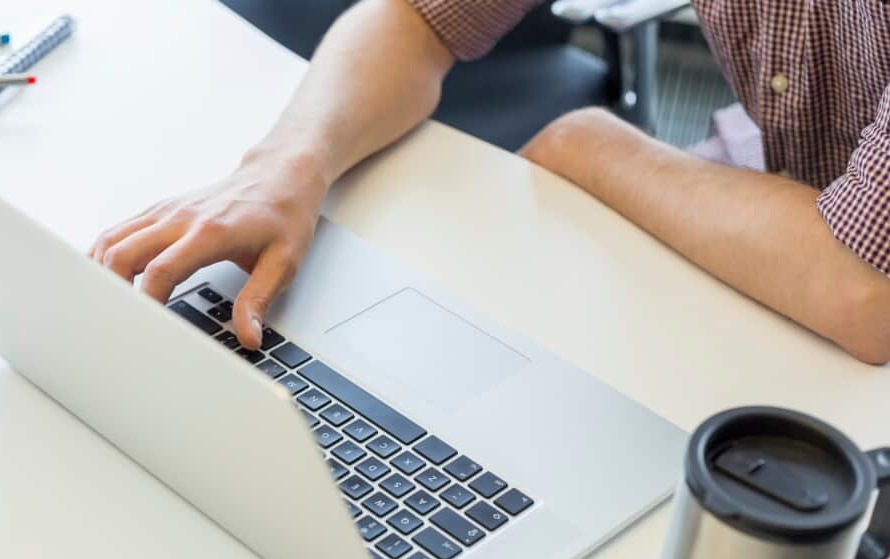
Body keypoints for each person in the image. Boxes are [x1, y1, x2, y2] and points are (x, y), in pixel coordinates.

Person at [90, 0, 890, 364]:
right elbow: (417, 17)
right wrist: (285, 166)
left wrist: (590, 144)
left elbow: (864, 292)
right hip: (793, 201)